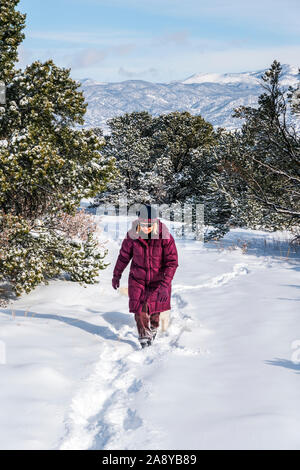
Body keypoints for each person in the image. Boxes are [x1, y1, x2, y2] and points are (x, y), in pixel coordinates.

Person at [112, 204, 179, 349]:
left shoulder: (165, 236)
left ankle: (153, 327)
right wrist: (116, 275)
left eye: (149, 224)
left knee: (155, 310)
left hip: (159, 280)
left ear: (155, 222)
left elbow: (172, 263)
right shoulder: (132, 235)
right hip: (138, 278)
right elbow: (123, 257)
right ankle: (144, 336)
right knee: (139, 309)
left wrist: (165, 285)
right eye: (143, 224)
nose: (146, 227)